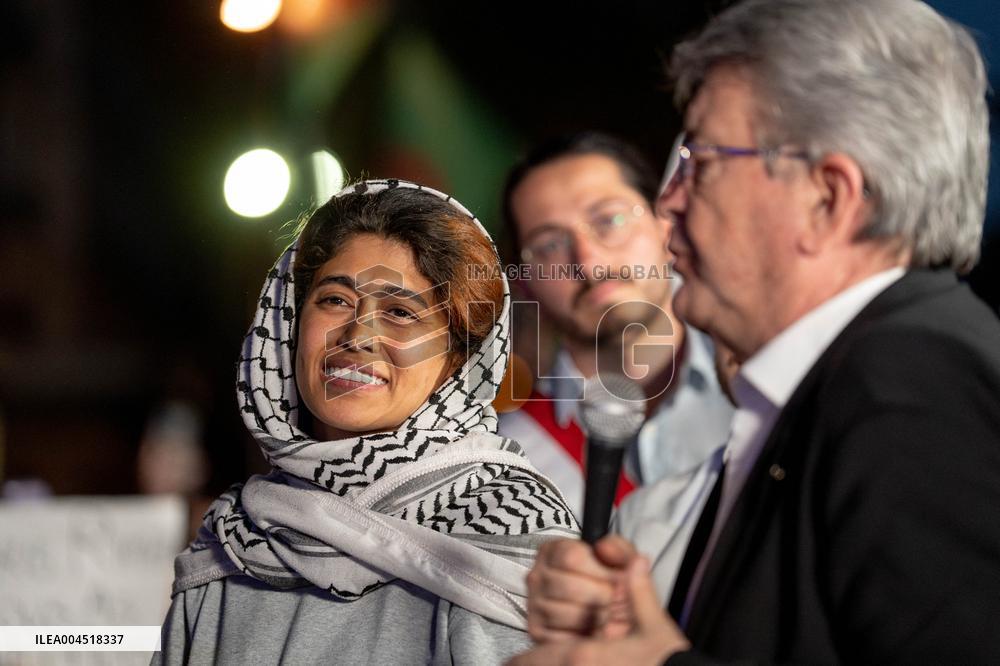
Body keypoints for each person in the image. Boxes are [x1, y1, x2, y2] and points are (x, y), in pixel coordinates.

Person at [513, 0, 1000, 663]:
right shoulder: (843, 382)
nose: (669, 202)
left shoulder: (911, 377)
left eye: (701, 161)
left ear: (826, 199)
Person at [154, 179, 578, 664]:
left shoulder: (512, 528)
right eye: (335, 300)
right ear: (290, 323)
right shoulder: (237, 534)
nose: (359, 334)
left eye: (401, 312)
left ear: (459, 360)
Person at [498, 132, 734, 519]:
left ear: (666, 224)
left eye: (609, 220)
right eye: (549, 245)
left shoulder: (763, 387)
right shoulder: (507, 466)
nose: (589, 263)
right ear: (524, 282)